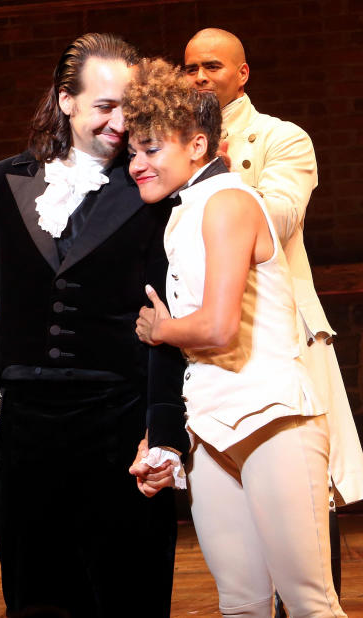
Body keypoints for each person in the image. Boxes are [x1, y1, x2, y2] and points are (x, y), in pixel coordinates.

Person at [0, 33, 185, 616]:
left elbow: (169, 313)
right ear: (66, 99)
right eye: (105, 106)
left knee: (129, 595)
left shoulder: (153, 189)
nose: (120, 123)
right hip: (25, 430)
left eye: (131, 108)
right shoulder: (2, 181)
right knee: (38, 595)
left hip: (120, 421)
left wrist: (164, 428)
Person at [125, 57, 348, 617]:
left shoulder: (228, 202)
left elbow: (220, 328)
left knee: (309, 603)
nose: (137, 164)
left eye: (151, 149)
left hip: (273, 419)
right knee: (240, 605)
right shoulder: (181, 215)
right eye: (132, 151)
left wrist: (161, 329)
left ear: (198, 146)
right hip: (210, 428)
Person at [183, 28, 363, 604]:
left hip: (278, 331)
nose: (200, 77)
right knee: (236, 555)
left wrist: (211, 176)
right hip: (207, 346)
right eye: (190, 68)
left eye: (213, 65)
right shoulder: (169, 148)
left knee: (305, 498)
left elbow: (279, 218)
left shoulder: (282, 138)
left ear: (243, 73)